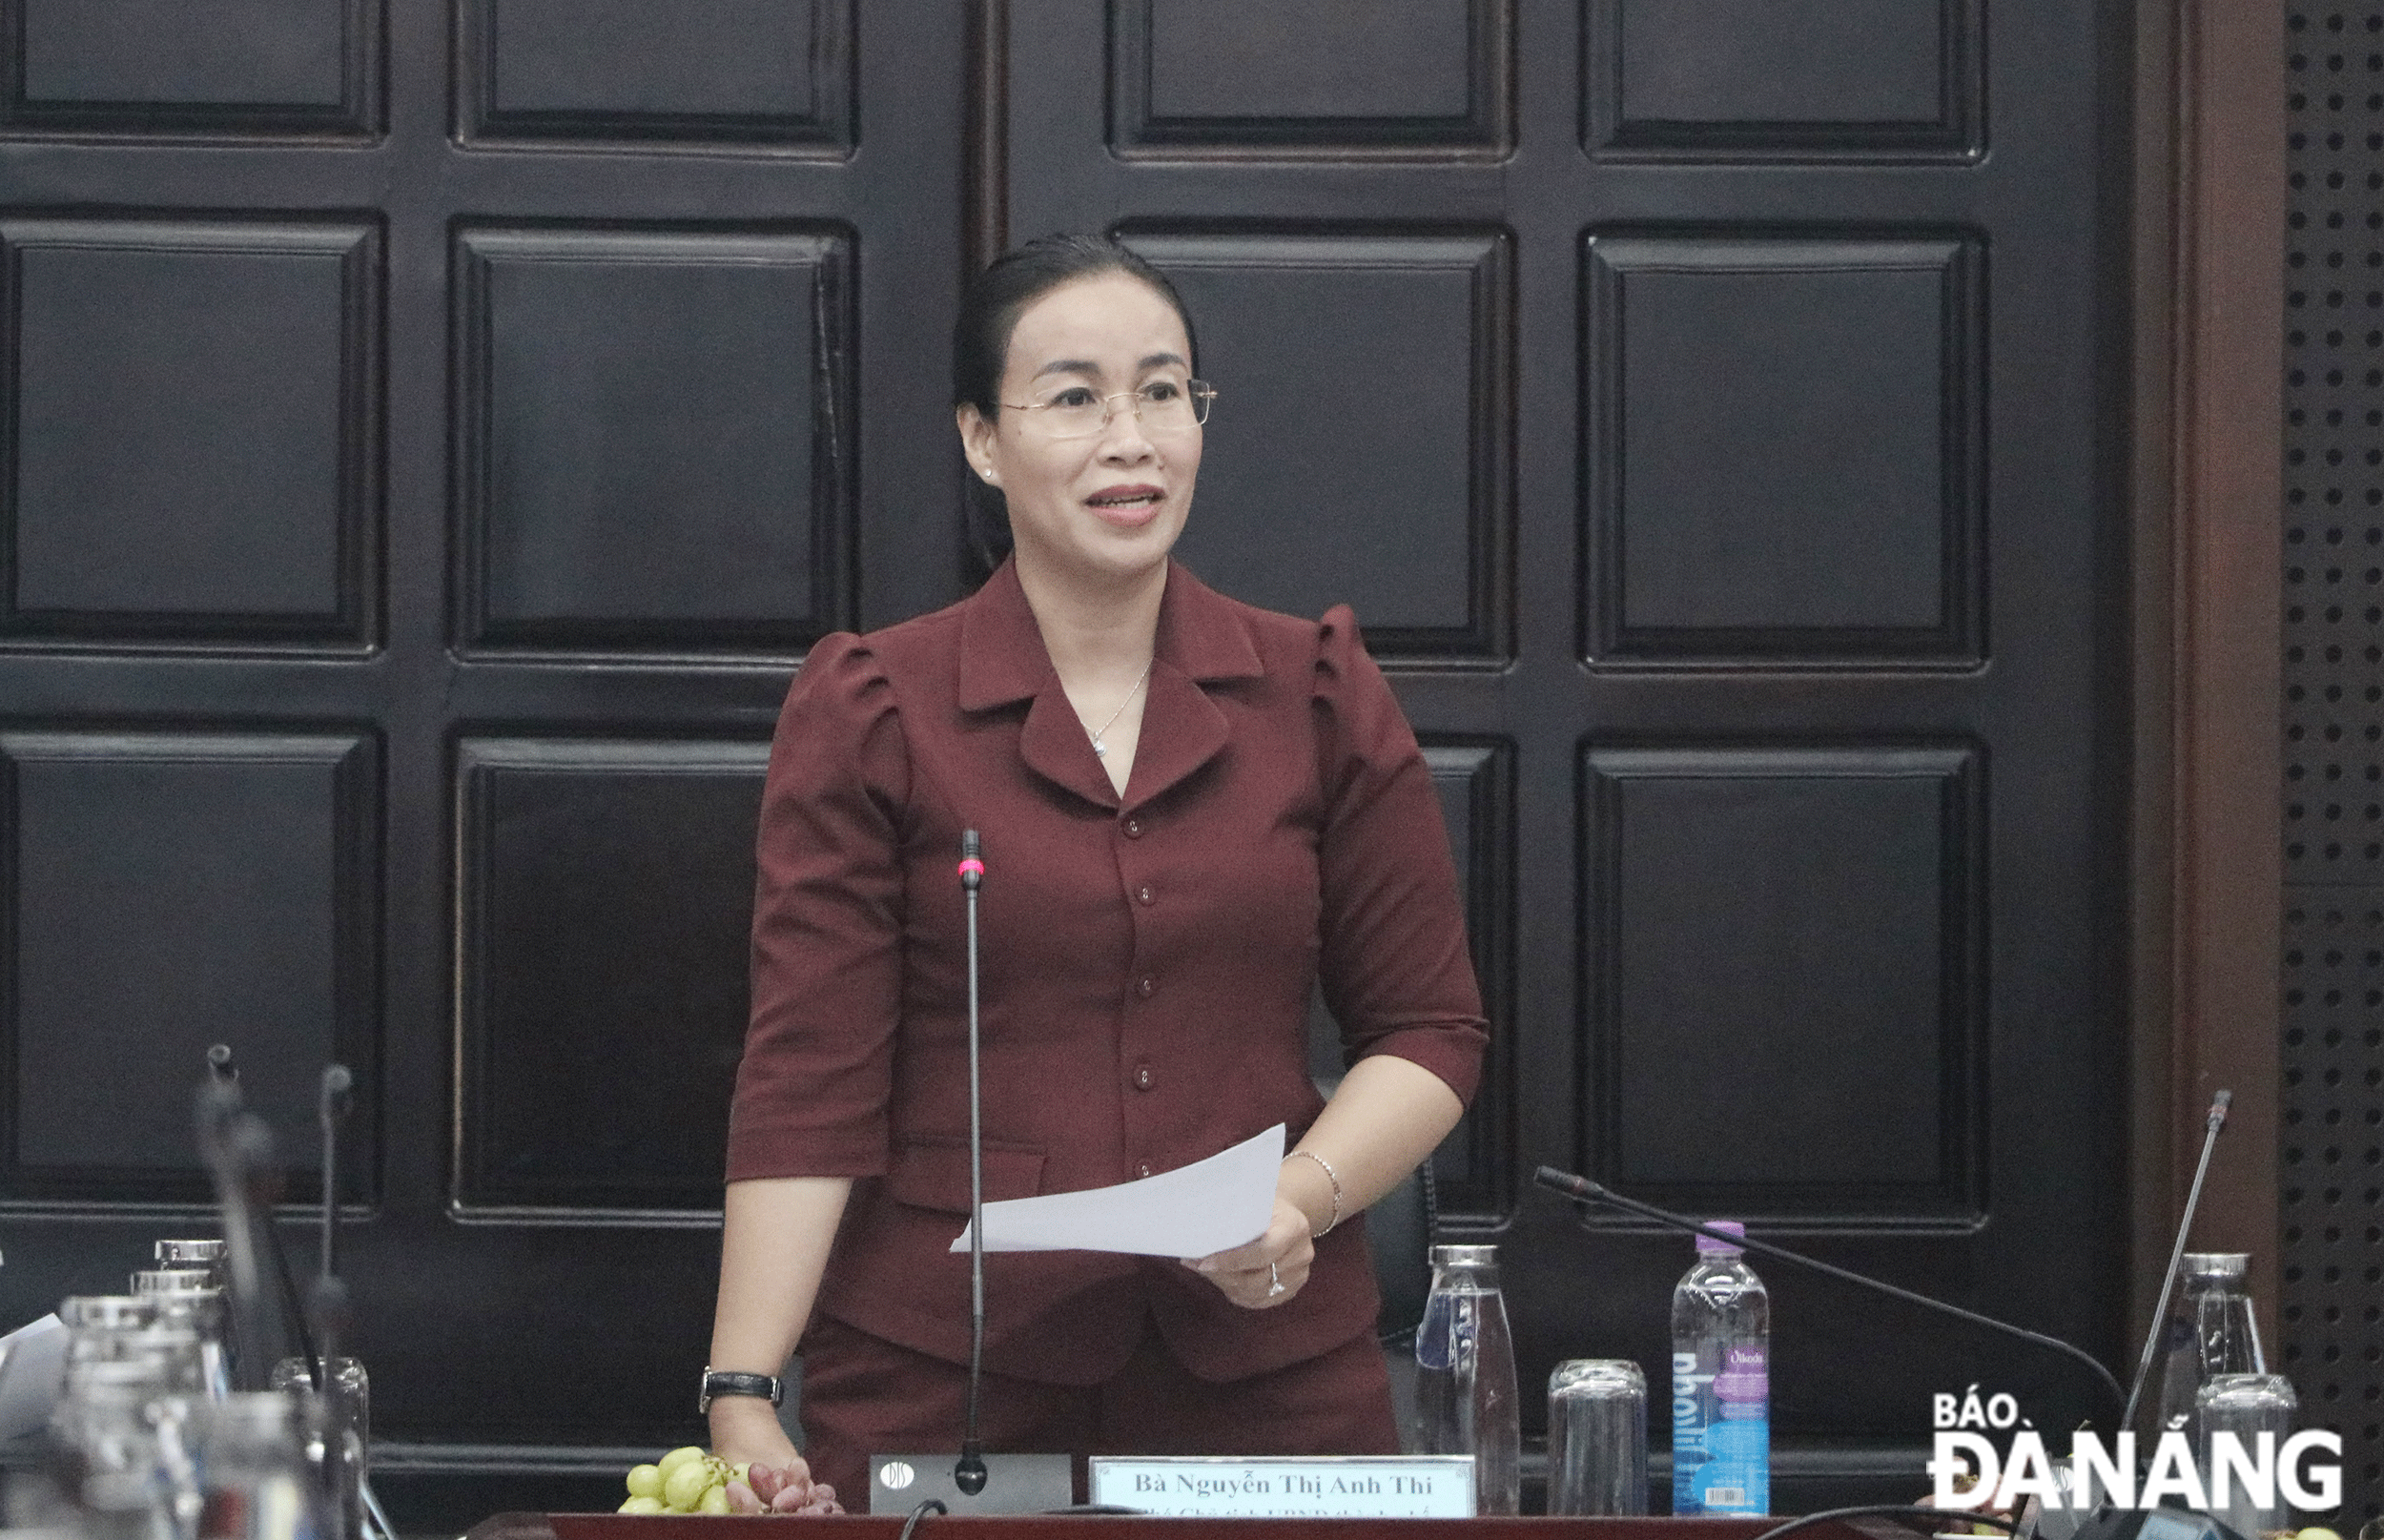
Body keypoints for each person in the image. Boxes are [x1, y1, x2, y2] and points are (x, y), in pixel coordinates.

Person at [704, 234, 1488, 1512]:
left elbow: (1432, 1026)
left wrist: (1301, 1197)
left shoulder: (1320, 691)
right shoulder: (876, 707)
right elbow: (809, 1074)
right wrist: (741, 1383)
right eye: (1075, 397)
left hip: (1270, 1379)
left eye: (1165, 392)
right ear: (981, 439)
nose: (1133, 438)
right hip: (946, 1375)